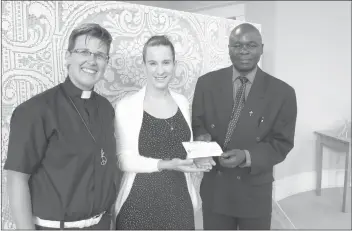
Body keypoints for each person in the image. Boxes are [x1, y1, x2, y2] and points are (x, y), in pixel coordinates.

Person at [4, 23, 119, 230]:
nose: (92, 61)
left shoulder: (106, 109)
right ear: (68, 57)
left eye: (100, 55)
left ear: (106, 63)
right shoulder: (35, 111)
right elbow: (16, 180)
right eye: (84, 51)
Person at [192, 23, 297, 230]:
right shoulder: (206, 83)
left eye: (251, 45)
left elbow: (282, 143)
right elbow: (197, 123)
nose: (244, 51)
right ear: (229, 48)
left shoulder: (283, 93)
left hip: (255, 193)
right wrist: (203, 141)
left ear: (261, 48)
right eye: (237, 45)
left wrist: (247, 156)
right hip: (216, 190)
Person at [114, 35, 211, 230]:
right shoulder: (127, 106)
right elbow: (124, 160)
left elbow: (182, 147)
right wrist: (167, 164)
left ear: (174, 64)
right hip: (138, 205)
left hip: (179, 202)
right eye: (153, 63)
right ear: (144, 66)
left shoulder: (182, 102)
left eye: (166, 62)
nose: (160, 70)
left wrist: (199, 158)